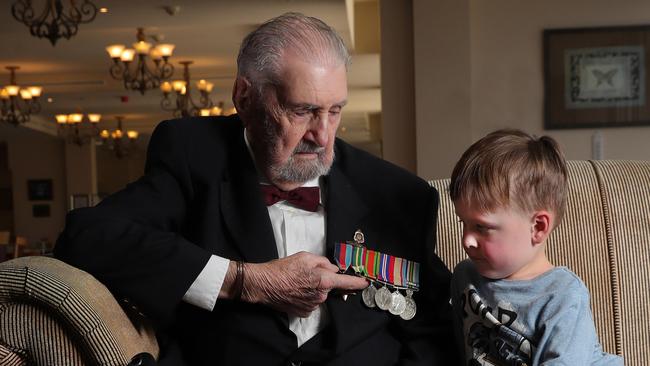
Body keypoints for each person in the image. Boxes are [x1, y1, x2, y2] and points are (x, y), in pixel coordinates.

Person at [54, 13, 457, 365]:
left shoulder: (395, 192)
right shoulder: (194, 155)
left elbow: (433, 333)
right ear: (244, 97)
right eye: (302, 111)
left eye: (334, 111)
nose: (322, 136)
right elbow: (86, 238)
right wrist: (242, 280)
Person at [448, 129, 623, 365]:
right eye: (463, 223)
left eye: (481, 227)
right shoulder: (464, 277)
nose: (466, 240)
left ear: (538, 227)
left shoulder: (561, 296)